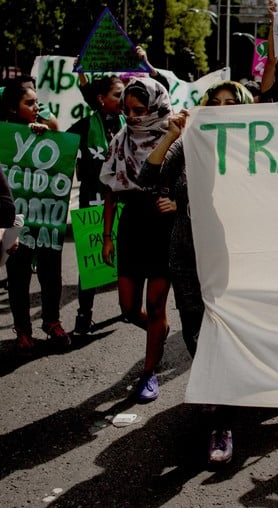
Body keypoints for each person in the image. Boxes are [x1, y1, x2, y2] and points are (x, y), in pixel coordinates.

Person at [137, 79, 253, 464]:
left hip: (237, 257)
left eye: (229, 103)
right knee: (196, 331)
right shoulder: (189, 145)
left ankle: (224, 413)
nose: (220, 107)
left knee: (232, 331)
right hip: (187, 254)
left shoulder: (259, 149)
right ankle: (218, 414)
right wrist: (170, 136)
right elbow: (147, 179)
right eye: (214, 101)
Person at [100, 76, 175, 403]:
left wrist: (177, 203)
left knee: (156, 305)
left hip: (163, 226)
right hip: (131, 225)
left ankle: (148, 372)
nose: (131, 117)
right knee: (129, 308)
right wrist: (107, 236)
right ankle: (158, 333)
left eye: (139, 110)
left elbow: (194, 186)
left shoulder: (176, 139)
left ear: (155, 106)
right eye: (126, 109)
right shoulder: (121, 141)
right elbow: (111, 193)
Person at [1, 82, 69, 350]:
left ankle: (51, 322)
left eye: (36, 102)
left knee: (51, 272)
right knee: (18, 276)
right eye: (29, 103)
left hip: (46, 219)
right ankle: (23, 330)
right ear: (11, 108)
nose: (36, 107)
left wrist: (45, 132)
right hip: (16, 220)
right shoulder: (5, 136)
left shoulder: (42, 129)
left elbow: (60, 140)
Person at [66, 73, 126, 334]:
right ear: (101, 99)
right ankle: (84, 315)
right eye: (117, 95)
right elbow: (59, 146)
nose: (123, 99)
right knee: (91, 260)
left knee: (127, 257)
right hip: (93, 200)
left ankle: (129, 308)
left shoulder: (131, 123)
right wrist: (41, 128)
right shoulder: (82, 127)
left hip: (125, 201)